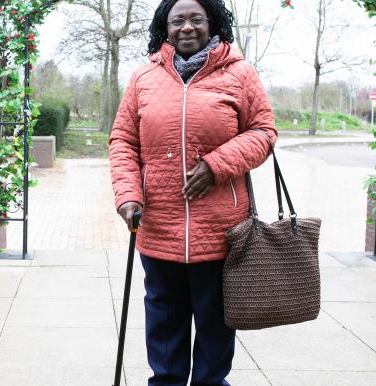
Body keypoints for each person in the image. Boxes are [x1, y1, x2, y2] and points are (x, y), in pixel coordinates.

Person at [109, 0, 278, 385]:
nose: (187, 27)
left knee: (216, 327)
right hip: (159, 228)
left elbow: (264, 133)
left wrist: (217, 165)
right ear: (164, 28)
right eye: (178, 20)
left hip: (221, 232)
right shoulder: (143, 78)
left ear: (213, 22)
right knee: (164, 328)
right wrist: (128, 195)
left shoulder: (240, 73)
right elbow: (122, 141)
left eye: (196, 19)